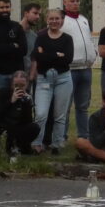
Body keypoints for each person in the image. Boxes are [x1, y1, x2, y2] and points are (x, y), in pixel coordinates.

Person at [29, 8, 74, 155]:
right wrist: (57, 55)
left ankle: (57, 144)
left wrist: (47, 54)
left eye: (57, 18)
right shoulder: (40, 37)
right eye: (51, 19)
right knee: (41, 113)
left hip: (63, 79)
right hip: (44, 78)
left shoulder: (67, 39)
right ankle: (37, 143)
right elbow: (37, 56)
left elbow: (68, 59)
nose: (54, 21)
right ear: (47, 20)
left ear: (62, 20)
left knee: (60, 115)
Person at [61, 0, 97, 142]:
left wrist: (93, 52)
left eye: (77, 1)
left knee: (83, 106)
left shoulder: (83, 19)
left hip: (86, 68)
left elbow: (87, 39)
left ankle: (84, 135)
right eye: (72, 1)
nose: (75, 4)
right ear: (65, 2)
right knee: (65, 106)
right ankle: (61, 136)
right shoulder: (61, 20)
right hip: (70, 69)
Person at [0, 70, 38, 157]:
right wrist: (11, 101)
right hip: (2, 126)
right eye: (16, 85)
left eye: (22, 85)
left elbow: (28, 121)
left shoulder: (27, 95)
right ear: (11, 84)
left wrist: (27, 104)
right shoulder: (3, 92)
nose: (19, 88)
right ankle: (2, 146)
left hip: (16, 127)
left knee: (34, 127)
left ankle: (20, 147)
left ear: (27, 85)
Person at [19, 2, 41, 74]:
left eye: (39, 14)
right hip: (13, 75)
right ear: (26, 13)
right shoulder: (13, 31)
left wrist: (31, 76)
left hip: (27, 75)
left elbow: (33, 59)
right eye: (35, 13)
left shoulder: (34, 36)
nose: (38, 17)